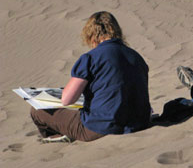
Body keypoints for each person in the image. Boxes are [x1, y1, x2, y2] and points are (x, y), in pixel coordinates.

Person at [30, 11, 151, 143]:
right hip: (139, 123)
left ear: (91, 35)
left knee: (37, 111)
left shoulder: (91, 58)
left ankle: (57, 137)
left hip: (101, 127)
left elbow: (66, 100)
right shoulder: (136, 57)